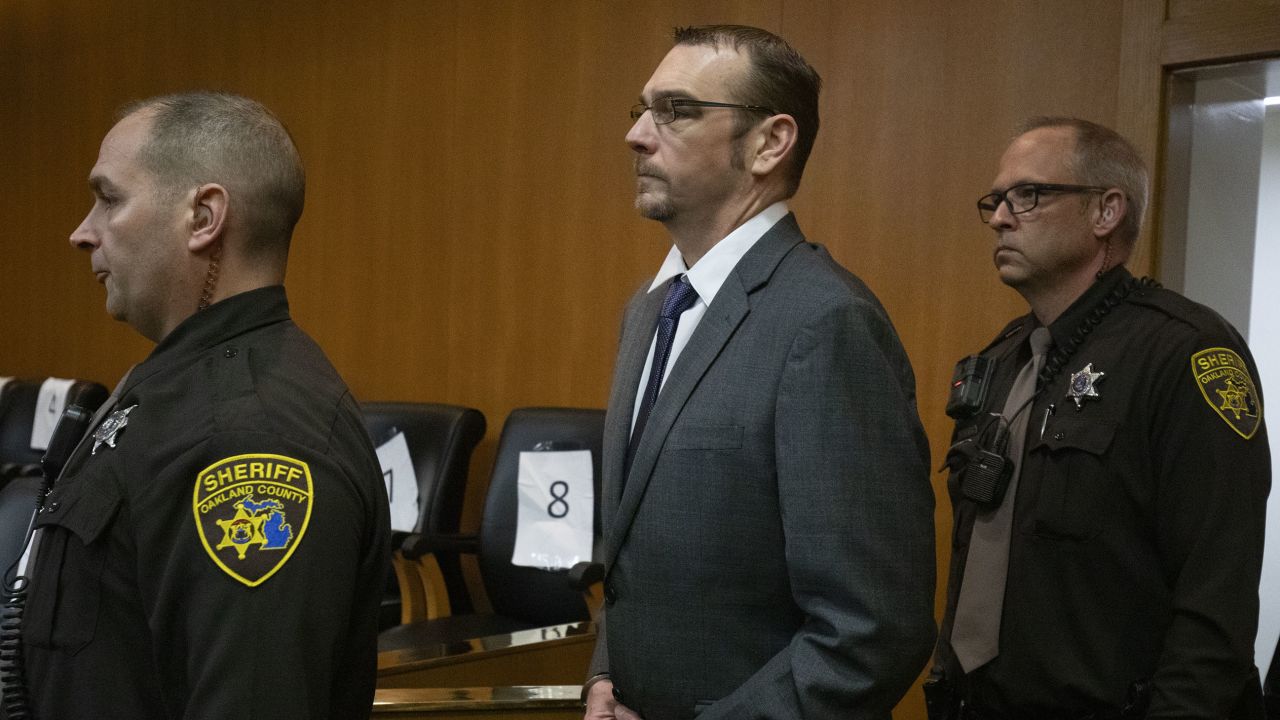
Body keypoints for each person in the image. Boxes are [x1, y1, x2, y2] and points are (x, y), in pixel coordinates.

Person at [584, 25, 936, 720]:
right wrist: (606, 675)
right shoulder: (649, 311)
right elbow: (632, 561)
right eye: (642, 109)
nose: (637, 135)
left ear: (770, 143)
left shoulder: (826, 324)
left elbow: (872, 634)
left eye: (677, 110)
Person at [18, 92, 390, 718]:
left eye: (109, 199)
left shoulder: (251, 437)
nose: (83, 233)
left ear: (203, 216)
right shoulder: (173, 386)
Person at [929, 117, 1270, 718]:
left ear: (1105, 212)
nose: (1001, 218)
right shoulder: (1004, 356)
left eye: (1027, 195)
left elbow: (1216, 601)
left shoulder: (1186, 352)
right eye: (996, 201)